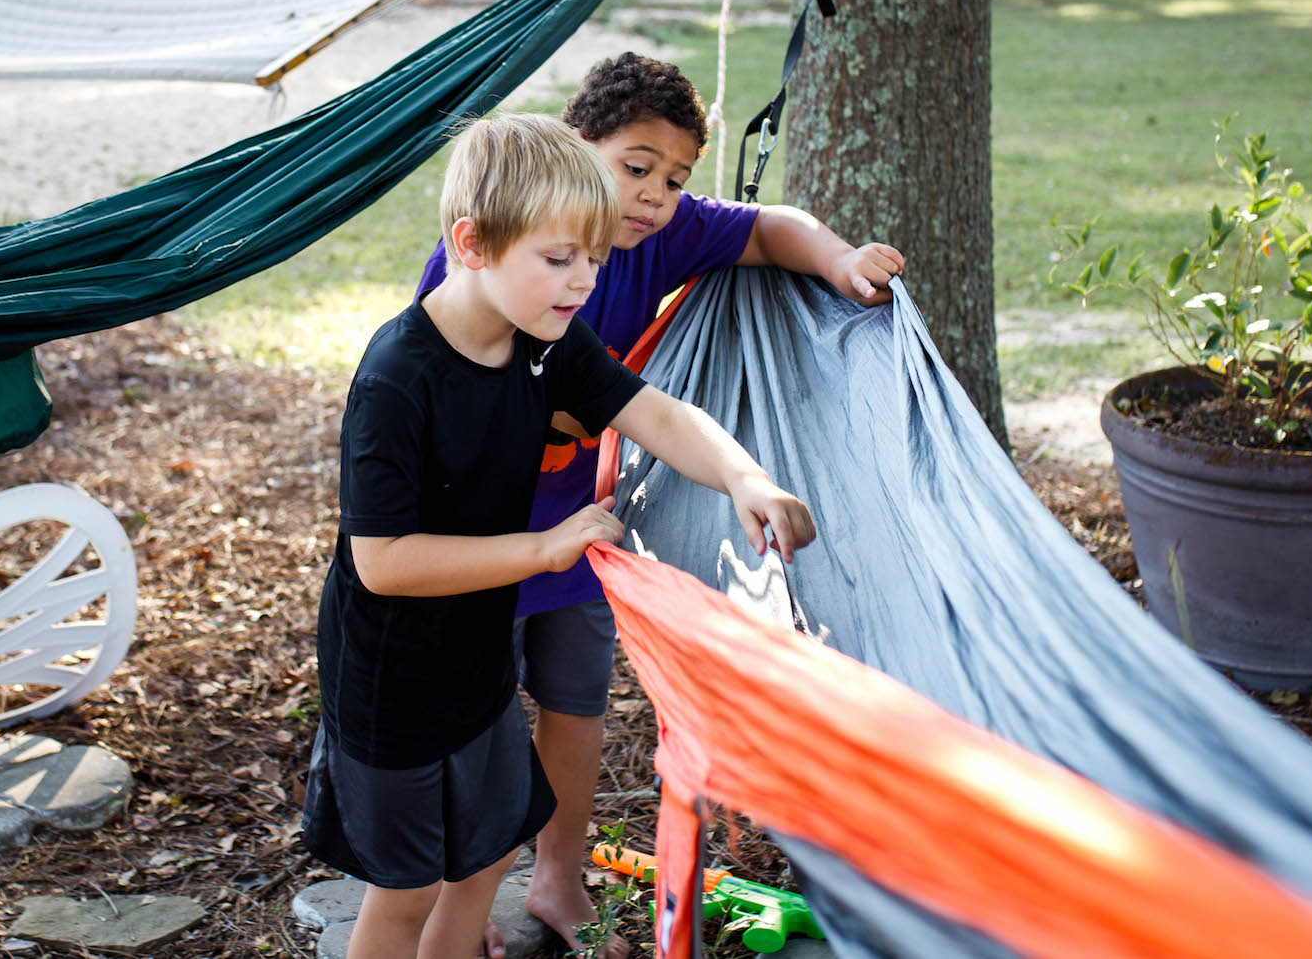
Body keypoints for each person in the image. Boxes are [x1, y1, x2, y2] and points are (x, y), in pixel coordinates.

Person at [414, 54, 904, 958]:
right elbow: (474, 390)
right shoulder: (492, 256)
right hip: (479, 544)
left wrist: (838, 261)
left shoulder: (658, 237)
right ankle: (457, 904)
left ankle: (559, 872)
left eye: (675, 179)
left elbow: (767, 227)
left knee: (574, 703)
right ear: (574, 150)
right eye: (635, 166)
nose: (653, 196)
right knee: (471, 735)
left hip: (586, 532)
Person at [304, 112, 816, 959]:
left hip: (476, 669)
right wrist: (541, 550)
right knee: (409, 889)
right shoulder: (397, 378)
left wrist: (744, 476)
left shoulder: (544, 342)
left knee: (484, 857)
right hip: (391, 684)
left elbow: (652, 411)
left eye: (595, 258)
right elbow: (383, 561)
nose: (582, 282)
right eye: (558, 259)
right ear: (472, 243)